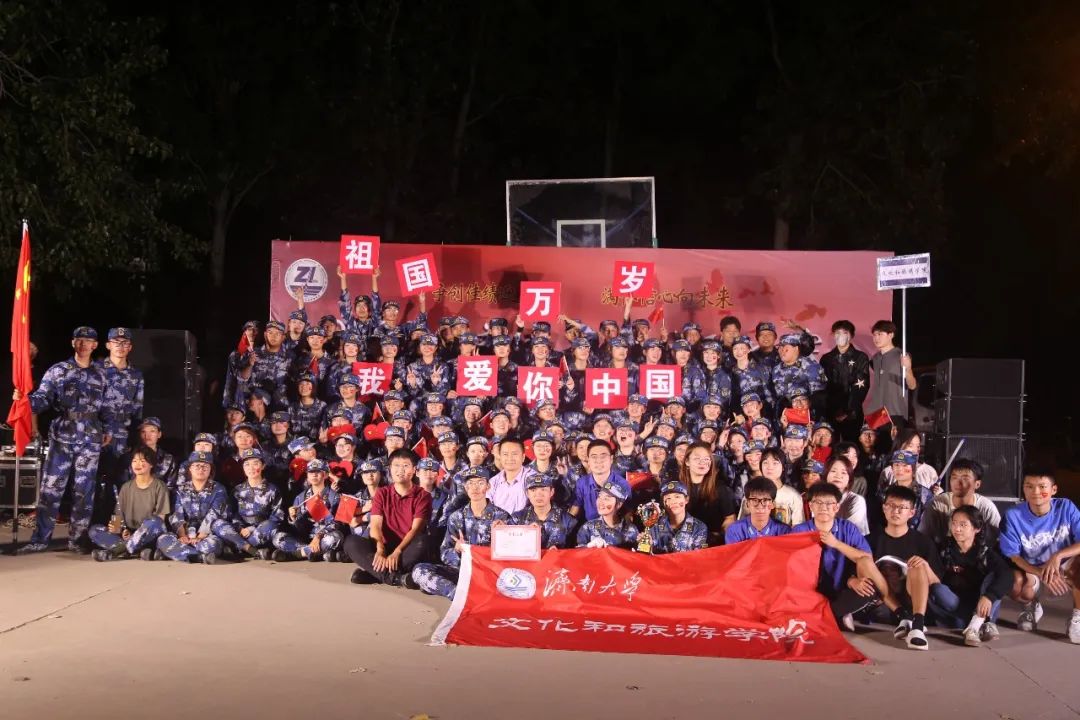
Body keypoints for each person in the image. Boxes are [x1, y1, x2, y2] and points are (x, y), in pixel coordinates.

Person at [17, 326, 110, 553]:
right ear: (73, 343)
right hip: (63, 435)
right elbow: (42, 399)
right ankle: (40, 540)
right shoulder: (58, 371)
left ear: (95, 345)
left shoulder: (102, 374)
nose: (83, 344)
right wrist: (24, 399)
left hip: (90, 437)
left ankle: (77, 541)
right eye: (79, 340)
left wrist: (108, 429)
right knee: (51, 490)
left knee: (84, 491)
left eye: (87, 341)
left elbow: (108, 406)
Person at [998, 468, 1080, 642]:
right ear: (1023, 489)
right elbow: (1013, 556)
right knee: (1013, 582)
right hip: (1032, 567)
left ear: (1053, 489)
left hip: (1064, 564)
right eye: (1029, 486)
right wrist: (1040, 572)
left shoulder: (1066, 507)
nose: (1035, 492)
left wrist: (1057, 556)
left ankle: (1077, 618)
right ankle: (1031, 607)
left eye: (1042, 486)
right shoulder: (1013, 515)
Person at [792, 483, 886, 630]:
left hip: (840, 589)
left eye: (829, 503)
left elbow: (866, 558)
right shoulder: (799, 531)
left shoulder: (848, 528)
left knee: (870, 588)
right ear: (810, 506)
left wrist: (836, 544)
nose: (823, 508)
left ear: (836, 507)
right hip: (810, 591)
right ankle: (835, 615)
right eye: (818, 502)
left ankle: (827, 615)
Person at [411, 467, 510, 599]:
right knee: (419, 571)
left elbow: (511, 556)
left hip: (489, 573)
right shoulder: (456, 517)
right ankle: (459, 595)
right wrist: (457, 551)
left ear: (488, 486)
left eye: (480, 483)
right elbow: (444, 553)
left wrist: (503, 536)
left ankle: (471, 594)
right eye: (470, 484)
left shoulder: (502, 517)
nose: (475, 488)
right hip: (462, 571)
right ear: (465, 487)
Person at [870, 485, 943, 650]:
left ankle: (917, 627)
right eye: (891, 505)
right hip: (885, 605)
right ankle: (906, 619)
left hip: (916, 604)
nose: (895, 511)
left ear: (911, 512)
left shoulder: (923, 542)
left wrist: (925, 566)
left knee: (916, 565)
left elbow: (937, 584)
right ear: (884, 508)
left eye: (902, 507)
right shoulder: (870, 540)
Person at [344, 449, 432, 585]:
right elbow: (375, 525)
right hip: (384, 546)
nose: (400, 470)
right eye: (396, 465)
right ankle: (395, 578)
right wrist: (380, 549)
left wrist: (398, 551)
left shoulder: (423, 496)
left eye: (405, 466)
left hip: (406, 548)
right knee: (351, 542)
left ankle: (376, 575)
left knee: (423, 542)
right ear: (390, 469)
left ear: (414, 470)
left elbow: (415, 530)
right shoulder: (382, 493)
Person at [929, 506, 1013, 646]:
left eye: (963, 525)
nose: (957, 529)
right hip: (955, 609)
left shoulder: (985, 553)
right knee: (937, 589)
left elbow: (1007, 575)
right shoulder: (943, 550)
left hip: (981, 606)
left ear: (977, 528)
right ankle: (980, 624)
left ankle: (976, 624)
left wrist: (989, 597)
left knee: (995, 577)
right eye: (954, 523)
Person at [87, 446, 170, 561]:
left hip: (149, 533)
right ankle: (133, 549)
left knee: (154, 522)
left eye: (142, 461)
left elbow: (160, 519)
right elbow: (118, 516)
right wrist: (117, 529)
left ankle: (116, 551)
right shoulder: (126, 487)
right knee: (94, 530)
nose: (137, 464)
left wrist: (137, 534)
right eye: (134, 461)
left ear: (151, 464)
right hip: (129, 533)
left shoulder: (160, 487)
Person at [94, 327, 145, 497]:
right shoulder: (96, 370)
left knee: (121, 479)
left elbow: (138, 407)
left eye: (125, 343)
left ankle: (118, 513)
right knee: (94, 480)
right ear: (108, 345)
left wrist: (135, 436)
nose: (120, 346)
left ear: (130, 347)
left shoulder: (136, 374)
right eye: (116, 342)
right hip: (98, 432)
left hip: (123, 434)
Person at [157, 451, 230, 564]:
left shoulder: (219, 489)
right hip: (184, 535)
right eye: (197, 466)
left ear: (211, 470)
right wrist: (183, 536)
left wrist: (200, 537)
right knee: (162, 539)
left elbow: (214, 514)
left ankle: (178, 553)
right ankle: (199, 557)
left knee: (213, 544)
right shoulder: (180, 490)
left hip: (207, 536)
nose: (201, 469)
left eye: (205, 466)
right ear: (190, 469)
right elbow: (176, 514)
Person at [211, 448, 284, 560]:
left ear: (263, 466)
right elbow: (233, 514)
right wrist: (240, 528)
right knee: (217, 523)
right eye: (247, 464)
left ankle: (237, 549)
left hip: (260, 532)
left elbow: (277, 517)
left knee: (270, 525)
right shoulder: (237, 490)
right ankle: (252, 551)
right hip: (240, 533)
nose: (251, 468)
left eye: (255, 463)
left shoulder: (272, 490)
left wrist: (252, 529)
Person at [272, 459, 344, 562]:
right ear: (307, 476)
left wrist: (318, 536)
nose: (314, 475)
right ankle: (313, 552)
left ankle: (297, 554)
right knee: (278, 538)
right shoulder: (300, 497)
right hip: (305, 538)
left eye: (318, 472)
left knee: (336, 537)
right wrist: (293, 518)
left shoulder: (334, 497)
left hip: (324, 536)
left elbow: (336, 523)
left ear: (325, 475)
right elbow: (298, 528)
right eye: (311, 472)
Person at [919, 459, 1001, 545]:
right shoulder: (937, 504)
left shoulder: (986, 507)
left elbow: (999, 539)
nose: (958, 482)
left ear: (977, 484)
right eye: (954, 477)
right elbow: (922, 537)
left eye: (965, 478)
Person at [818, 320, 870, 442]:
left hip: (852, 412)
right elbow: (822, 386)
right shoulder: (826, 359)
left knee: (851, 445)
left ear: (851, 336)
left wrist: (848, 411)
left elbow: (861, 385)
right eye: (837, 332)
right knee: (830, 444)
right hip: (830, 411)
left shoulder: (860, 357)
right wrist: (829, 409)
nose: (840, 336)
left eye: (845, 332)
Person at [678, 442, 738, 545]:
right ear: (687, 461)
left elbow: (730, 518)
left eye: (706, 459)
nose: (702, 462)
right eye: (697, 458)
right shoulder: (676, 488)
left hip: (712, 544)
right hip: (682, 543)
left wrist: (719, 536)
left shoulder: (721, 488)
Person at [866, 320, 917, 421]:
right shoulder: (875, 358)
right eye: (874, 335)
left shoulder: (902, 356)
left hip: (895, 412)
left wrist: (908, 369)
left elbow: (912, 385)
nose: (876, 338)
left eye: (880, 334)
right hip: (876, 412)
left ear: (891, 335)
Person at [509, 473, 576, 549]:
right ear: (527, 493)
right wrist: (526, 534)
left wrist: (558, 552)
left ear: (551, 492)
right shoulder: (517, 519)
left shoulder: (568, 521)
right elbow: (508, 546)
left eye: (543, 489)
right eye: (533, 490)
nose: (538, 494)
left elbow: (576, 551)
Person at [569, 440, 631, 521]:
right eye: (594, 457)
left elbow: (628, 513)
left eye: (603, 456)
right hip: (589, 527)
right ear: (588, 460)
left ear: (611, 459)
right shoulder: (582, 483)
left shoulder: (622, 484)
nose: (598, 461)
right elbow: (574, 509)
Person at [741, 447, 804, 526]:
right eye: (765, 463)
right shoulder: (751, 493)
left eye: (775, 463)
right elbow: (741, 524)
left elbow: (798, 529)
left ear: (783, 467)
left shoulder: (793, 496)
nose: (770, 467)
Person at [724, 477, 792, 543]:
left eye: (765, 500)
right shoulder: (734, 531)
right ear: (747, 503)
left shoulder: (784, 531)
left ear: (772, 504)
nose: (760, 506)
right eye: (754, 500)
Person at [575, 481, 639, 549]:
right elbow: (577, 553)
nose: (600, 502)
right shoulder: (588, 528)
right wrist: (588, 547)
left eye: (606, 499)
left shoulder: (631, 530)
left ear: (619, 504)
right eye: (599, 497)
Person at [648, 481, 708, 553]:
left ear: (686, 499)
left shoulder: (699, 527)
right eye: (668, 498)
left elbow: (699, 556)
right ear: (664, 503)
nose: (673, 501)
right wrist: (648, 545)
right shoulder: (654, 524)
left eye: (677, 497)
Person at [486, 436, 536, 514]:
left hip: (525, 521)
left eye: (514, 454)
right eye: (505, 454)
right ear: (500, 457)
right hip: (498, 521)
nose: (510, 458)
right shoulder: (493, 481)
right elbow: (487, 509)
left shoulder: (532, 478)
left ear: (523, 457)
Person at [825, 456, 869, 535]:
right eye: (833, 471)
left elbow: (850, 531)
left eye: (843, 473)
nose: (838, 476)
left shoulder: (857, 500)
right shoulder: (818, 498)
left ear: (849, 480)